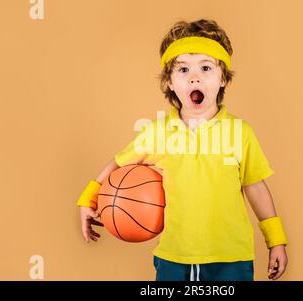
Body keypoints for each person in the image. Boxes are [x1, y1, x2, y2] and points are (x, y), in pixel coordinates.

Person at [77, 19, 288, 281]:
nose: (195, 76)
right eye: (184, 69)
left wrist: (276, 239)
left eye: (206, 67)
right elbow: (117, 164)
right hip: (174, 258)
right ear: (169, 82)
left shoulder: (240, 132)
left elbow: (255, 186)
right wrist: (87, 199)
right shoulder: (157, 132)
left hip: (232, 258)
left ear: (223, 79)